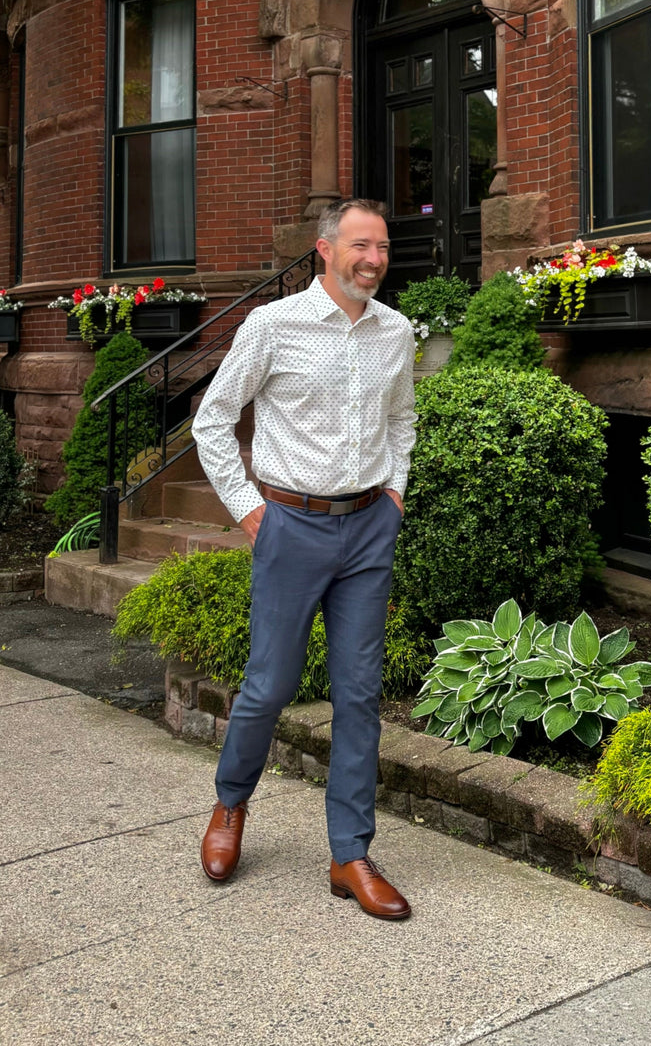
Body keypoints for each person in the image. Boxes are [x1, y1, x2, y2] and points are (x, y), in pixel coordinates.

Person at [191, 198, 416, 919]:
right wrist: (252, 512)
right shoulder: (273, 325)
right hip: (291, 525)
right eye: (359, 246)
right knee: (269, 686)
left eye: (381, 247)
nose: (373, 259)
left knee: (358, 695)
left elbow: (402, 419)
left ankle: (349, 854)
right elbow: (213, 421)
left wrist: (395, 493)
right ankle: (231, 806)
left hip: (366, 531)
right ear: (325, 249)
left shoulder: (396, 331)